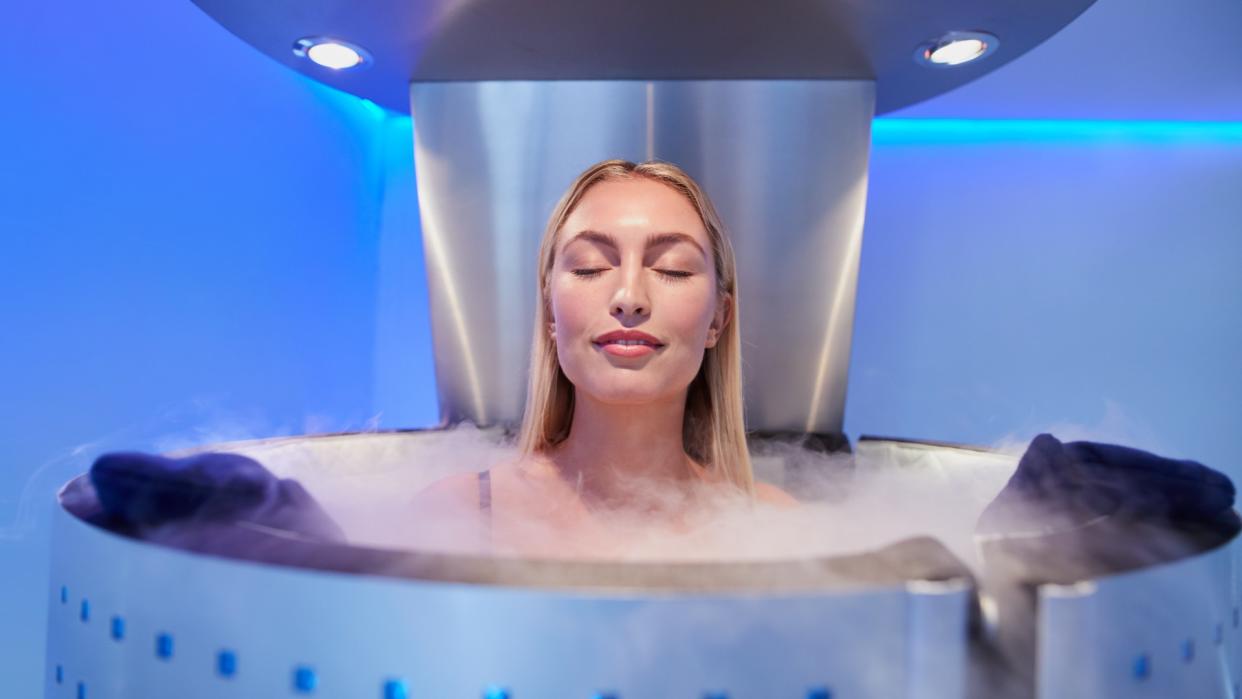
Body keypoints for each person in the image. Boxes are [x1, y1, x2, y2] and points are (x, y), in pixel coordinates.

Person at [410, 159, 797, 558]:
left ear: (718, 318)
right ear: (550, 313)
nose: (629, 297)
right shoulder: (454, 515)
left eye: (673, 269)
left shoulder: (774, 527)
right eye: (589, 267)